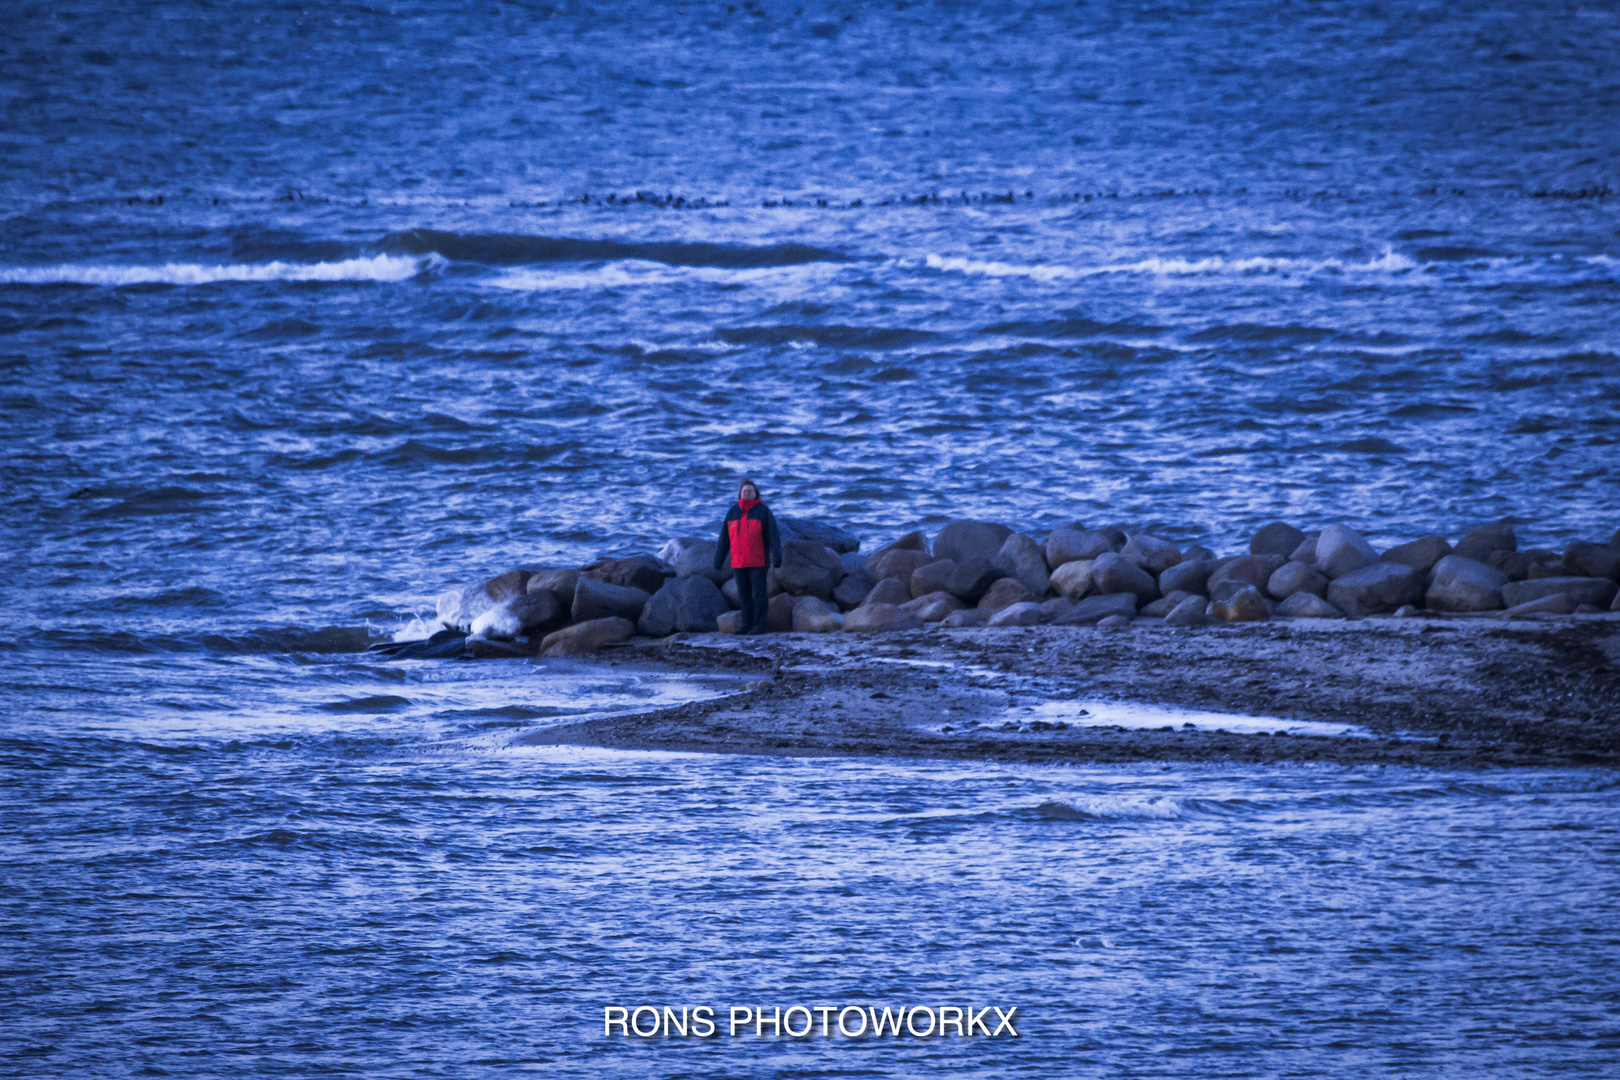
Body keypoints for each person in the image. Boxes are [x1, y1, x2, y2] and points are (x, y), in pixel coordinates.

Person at [713, 478, 782, 634]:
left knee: (759, 595)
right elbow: (724, 538)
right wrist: (718, 560)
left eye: (750, 491)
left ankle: (760, 625)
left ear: (755, 493)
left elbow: (773, 536)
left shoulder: (763, 511)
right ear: (740, 494)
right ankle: (746, 625)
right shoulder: (732, 512)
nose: (747, 493)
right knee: (744, 597)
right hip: (738, 562)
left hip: (758, 561)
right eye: (744, 491)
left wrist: (777, 557)